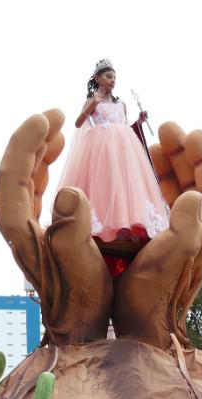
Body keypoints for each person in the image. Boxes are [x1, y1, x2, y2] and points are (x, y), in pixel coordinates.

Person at [58, 58, 170, 276]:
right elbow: (79, 122)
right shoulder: (93, 100)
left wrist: (139, 120)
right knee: (105, 185)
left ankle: (128, 225)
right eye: (108, 76)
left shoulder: (122, 104)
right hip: (100, 148)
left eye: (114, 77)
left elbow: (125, 125)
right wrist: (94, 102)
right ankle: (101, 226)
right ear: (97, 78)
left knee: (125, 184)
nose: (112, 80)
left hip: (123, 149)